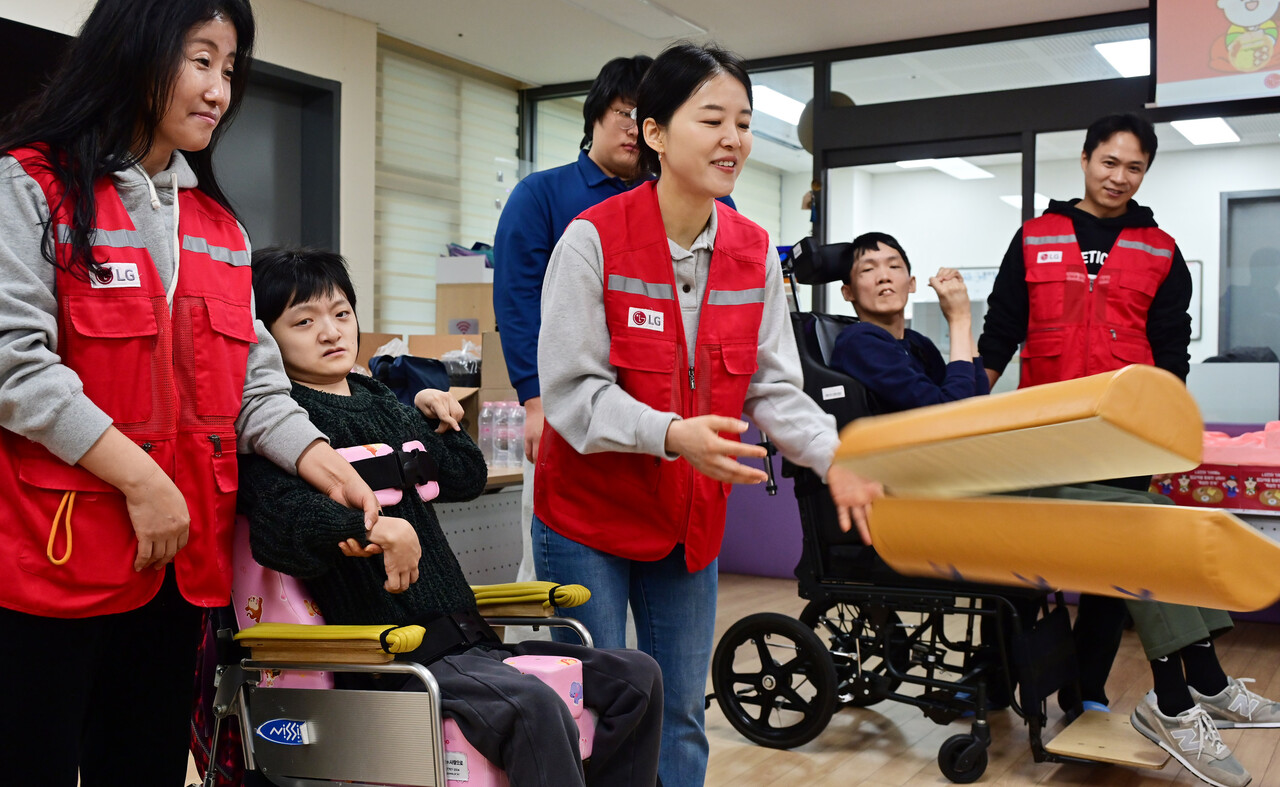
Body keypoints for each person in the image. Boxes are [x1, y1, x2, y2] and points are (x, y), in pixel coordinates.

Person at [0, 3, 382, 785]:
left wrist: (318, 456)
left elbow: (253, 384)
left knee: (142, 765)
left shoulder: (218, 225)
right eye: (201, 60)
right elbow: (16, 364)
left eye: (231, 68)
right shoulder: (32, 186)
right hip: (54, 558)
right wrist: (143, 480)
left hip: (177, 565)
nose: (220, 89)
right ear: (135, 53)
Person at [532, 42, 881, 787]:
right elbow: (570, 392)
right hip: (587, 512)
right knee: (596, 707)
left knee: (682, 709)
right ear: (654, 132)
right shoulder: (592, 240)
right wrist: (668, 433)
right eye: (713, 118)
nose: (734, 139)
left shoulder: (754, 254)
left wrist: (834, 453)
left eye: (745, 123)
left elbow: (775, 387)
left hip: (689, 517)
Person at [239, 247, 664, 787]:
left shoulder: (379, 399)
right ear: (265, 341)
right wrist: (370, 527)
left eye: (341, 313)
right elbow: (281, 523)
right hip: (395, 658)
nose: (330, 332)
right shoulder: (278, 427)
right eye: (303, 321)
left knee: (637, 676)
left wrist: (443, 419)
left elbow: (463, 478)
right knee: (534, 706)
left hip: (470, 641)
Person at [979, 114, 1278, 787]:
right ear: (1085, 160)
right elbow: (1000, 332)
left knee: (1116, 572)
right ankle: (1020, 683)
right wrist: (965, 403)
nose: (1118, 177)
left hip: (1124, 437)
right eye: (1108, 162)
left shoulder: (1159, 248)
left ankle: (1088, 694)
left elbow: (1172, 354)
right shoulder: (1034, 237)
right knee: (1043, 566)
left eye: (1134, 167)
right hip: (1045, 433)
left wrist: (1164, 428)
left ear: (1146, 172)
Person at [493, 54, 652, 594]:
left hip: (645, 413)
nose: (635, 130)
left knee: (638, 563)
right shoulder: (541, 193)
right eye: (624, 113)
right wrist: (534, 399)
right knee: (548, 567)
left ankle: (627, 678)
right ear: (595, 116)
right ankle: (531, 676)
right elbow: (517, 300)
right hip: (564, 407)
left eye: (648, 118)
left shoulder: (661, 203)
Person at [829, 231, 988, 411]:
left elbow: (979, 400)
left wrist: (964, 316)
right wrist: (958, 320)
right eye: (868, 269)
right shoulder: (859, 341)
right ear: (848, 292)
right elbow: (950, 414)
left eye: (894, 266)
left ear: (911, 283)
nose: (884, 277)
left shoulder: (918, 343)